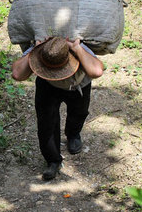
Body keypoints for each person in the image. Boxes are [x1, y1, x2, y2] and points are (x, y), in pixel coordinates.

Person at [12, 36, 104, 180]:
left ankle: (73, 134)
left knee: (79, 112)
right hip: (47, 86)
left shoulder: (75, 45)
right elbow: (17, 74)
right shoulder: (46, 48)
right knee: (46, 124)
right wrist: (36, 49)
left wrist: (77, 48)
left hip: (78, 85)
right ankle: (53, 160)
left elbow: (97, 71)